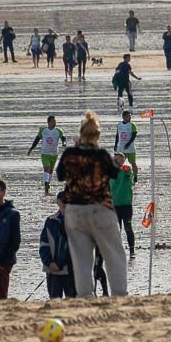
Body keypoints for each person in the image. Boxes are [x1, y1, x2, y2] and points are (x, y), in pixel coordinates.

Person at [56, 112, 125, 298]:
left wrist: (76, 147)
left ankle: (85, 296)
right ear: (97, 135)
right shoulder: (101, 155)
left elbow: (60, 175)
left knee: (81, 259)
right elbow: (114, 173)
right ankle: (119, 294)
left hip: (75, 210)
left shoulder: (69, 154)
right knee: (114, 255)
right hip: (101, 207)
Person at [0, 176, 20, 299]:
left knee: (1, 295)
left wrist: (1, 261)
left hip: (4, 261)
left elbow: (15, 242)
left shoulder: (12, 214)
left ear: (3, 192)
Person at [39, 192, 74, 298]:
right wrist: (49, 263)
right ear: (58, 203)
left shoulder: (79, 222)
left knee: (73, 303)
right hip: (52, 271)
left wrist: (62, 263)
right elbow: (43, 245)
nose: (67, 208)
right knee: (54, 303)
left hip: (72, 272)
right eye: (64, 205)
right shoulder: (50, 221)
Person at [28, 115, 64, 195]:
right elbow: (37, 139)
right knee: (46, 168)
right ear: (48, 122)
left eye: (55, 121)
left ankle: (48, 183)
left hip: (54, 154)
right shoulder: (43, 130)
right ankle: (46, 185)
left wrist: (64, 143)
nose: (54, 123)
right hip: (45, 153)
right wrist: (31, 148)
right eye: (52, 121)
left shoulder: (58, 130)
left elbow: (63, 138)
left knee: (50, 170)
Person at [108, 154, 135, 258]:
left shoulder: (126, 170)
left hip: (126, 205)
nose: (118, 160)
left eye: (121, 159)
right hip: (114, 206)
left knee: (128, 227)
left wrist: (126, 169)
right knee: (116, 229)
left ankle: (132, 251)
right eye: (116, 159)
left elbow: (129, 172)